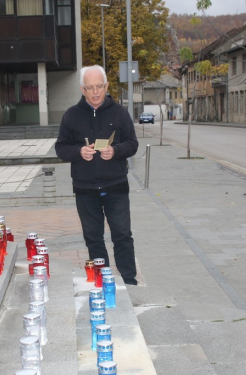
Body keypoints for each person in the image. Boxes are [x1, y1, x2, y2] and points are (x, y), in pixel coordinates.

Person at [55, 65, 139, 285]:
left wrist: (116, 151)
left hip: (116, 185)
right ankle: (102, 280)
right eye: (90, 87)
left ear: (106, 86)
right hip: (85, 188)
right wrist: (79, 152)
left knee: (122, 235)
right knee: (93, 238)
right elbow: (60, 148)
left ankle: (129, 280)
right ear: (82, 89)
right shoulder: (72, 115)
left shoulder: (120, 113)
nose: (95, 92)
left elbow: (132, 144)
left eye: (99, 87)